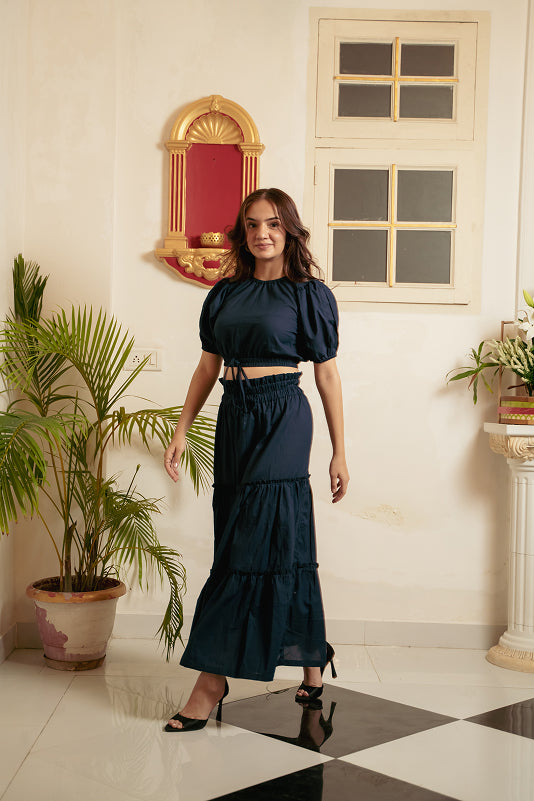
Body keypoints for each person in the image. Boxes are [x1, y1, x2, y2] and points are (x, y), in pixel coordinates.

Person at [163, 188, 349, 732]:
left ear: (289, 230)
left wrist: (340, 451)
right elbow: (207, 367)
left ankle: (210, 681)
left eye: (272, 224)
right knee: (269, 537)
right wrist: (181, 429)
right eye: (251, 224)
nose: (262, 233)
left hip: (283, 415)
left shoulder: (308, 295)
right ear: (242, 233)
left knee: (252, 540)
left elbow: (326, 374)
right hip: (235, 417)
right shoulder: (224, 294)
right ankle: (312, 663)